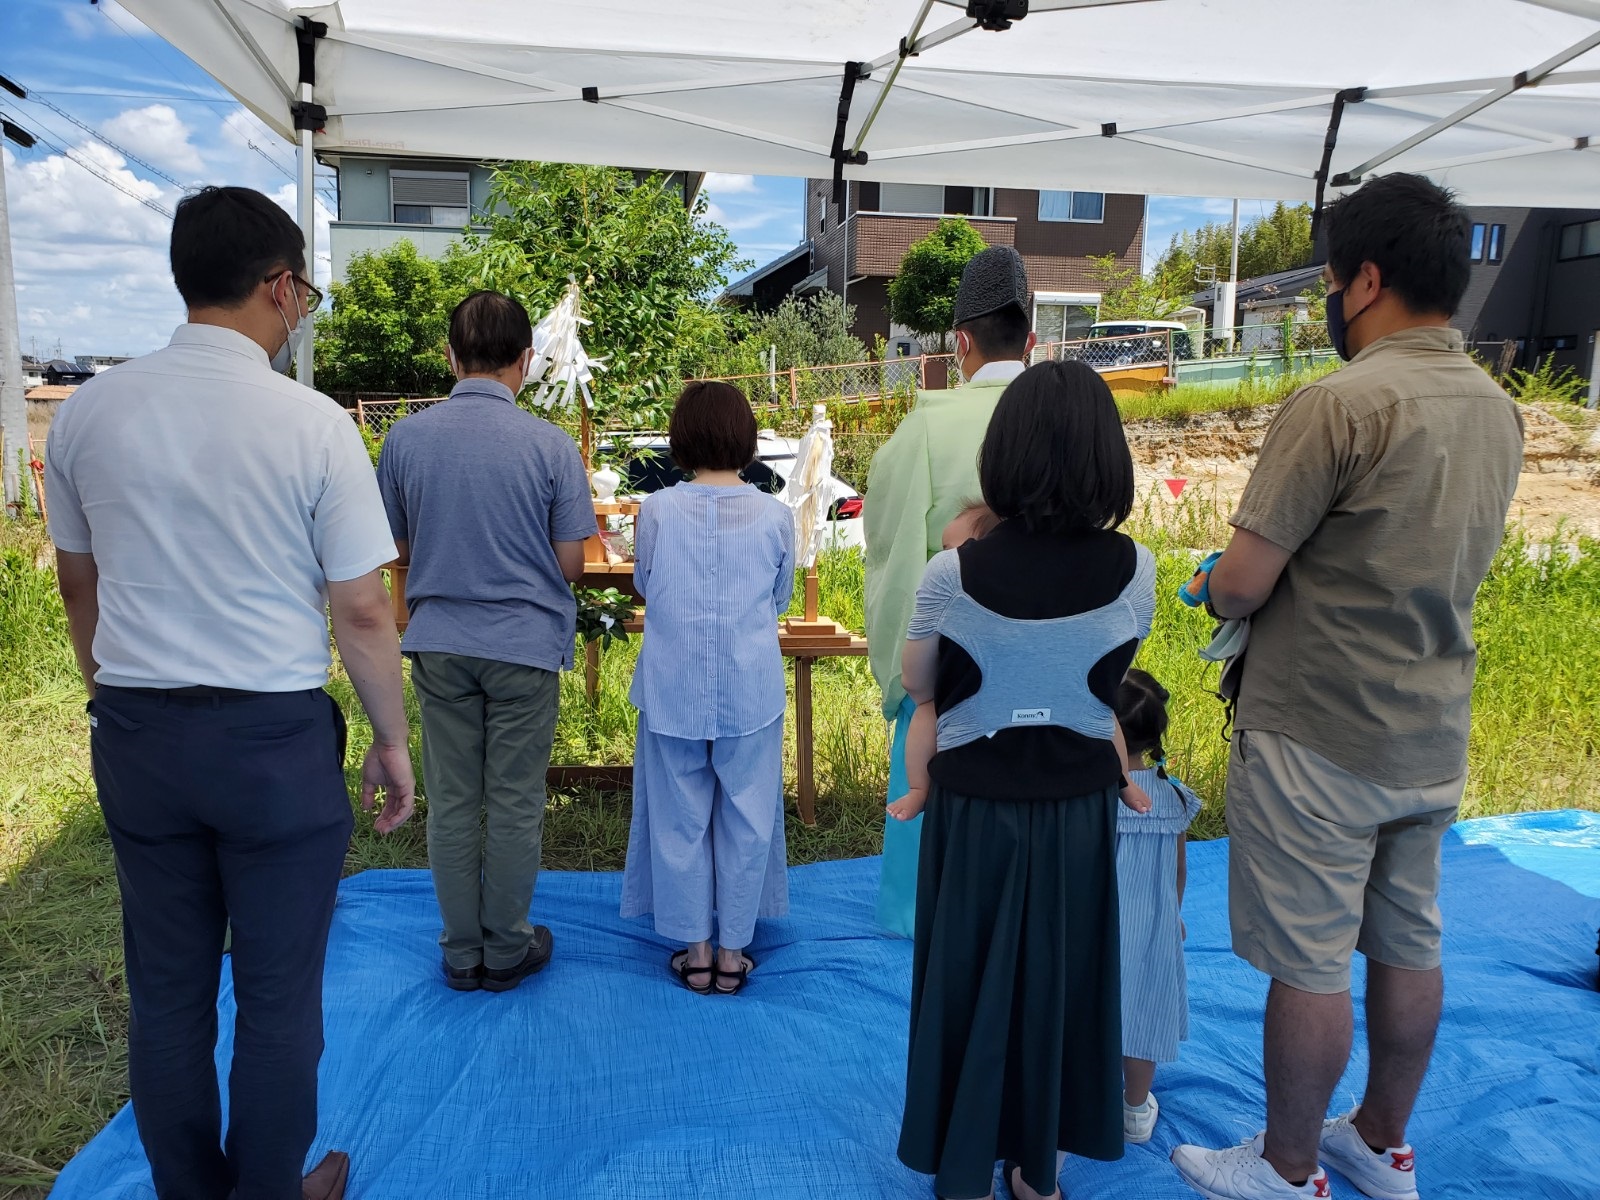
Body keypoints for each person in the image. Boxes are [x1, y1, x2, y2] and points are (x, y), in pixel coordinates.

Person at [45, 186, 415, 1200]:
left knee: (167, 992)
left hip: (136, 727)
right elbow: (365, 612)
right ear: (278, 284)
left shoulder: (88, 410)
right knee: (278, 995)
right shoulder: (311, 424)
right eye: (304, 291)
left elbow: (81, 586)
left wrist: (109, 693)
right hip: (271, 739)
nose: (301, 309)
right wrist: (391, 740)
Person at [1170, 174, 1524, 1200]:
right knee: (1409, 940)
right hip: (1428, 726)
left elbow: (1240, 581)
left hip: (1319, 729)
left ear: (1364, 280)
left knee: (1311, 958)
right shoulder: (1496, 412)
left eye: (1328, 280)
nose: (1327, 301)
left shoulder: (1339, 403)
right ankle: (1378, 1139)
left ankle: (1285, 1168)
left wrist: (1203, 583)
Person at [895, 360, 1156, 1200]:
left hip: (973, 816)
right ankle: (1040, 1170)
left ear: (1003, 452)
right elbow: (1109, 685)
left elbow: (920, 683)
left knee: (968, 980)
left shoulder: (953, 574)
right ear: (1104, 459)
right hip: (1080, 814)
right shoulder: (1137, 569)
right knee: (1060, 982)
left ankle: (963, 1164)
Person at [377, 290, 597, 994]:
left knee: (451, 795)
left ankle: (460, 948)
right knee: (512, 800)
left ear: (450, 355)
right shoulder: (551, 446)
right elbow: (572, 564)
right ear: (526, 362)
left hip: (438, 641)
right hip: (525, 644)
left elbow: (398, 549)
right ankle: (507, 947)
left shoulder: (405, 440)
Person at [865, 245, 1038, 937]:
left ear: (961, 340)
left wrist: (902, 682)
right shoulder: (1071, 419)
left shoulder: (930, 427)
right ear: (1032, 340)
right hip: (1056, 666)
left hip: (955, 669)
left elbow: (895, 557)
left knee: (929, 821)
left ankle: (921, 923)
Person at [620, 381, 796, 995]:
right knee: (749, 816)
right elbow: (779, 599)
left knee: (678, 816)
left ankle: (694, 949)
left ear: (681, 439)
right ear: (746, 439)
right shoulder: (776, 515)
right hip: (751, 686)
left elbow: (644, 584)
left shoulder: (658, 510)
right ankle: (732, 952)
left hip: (673, 684)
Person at [1112, 669, 1202, 1145]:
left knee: (1086, 1010)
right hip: (1152, 929)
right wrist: (1173, 915)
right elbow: (1179, 870)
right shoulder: (1172, 796)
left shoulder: (1093, 794)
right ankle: (1133, 1110)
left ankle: (1071, 1094)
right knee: (1144, 1017)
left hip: (1097, 928)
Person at [886, 500, 1000, 823]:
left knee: (925, 706)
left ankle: (920, 789)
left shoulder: (965, 581)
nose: (942, 558)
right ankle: (919, 788)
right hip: (946, 678)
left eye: (950, 548)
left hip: (963, 696)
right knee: (924, 708)